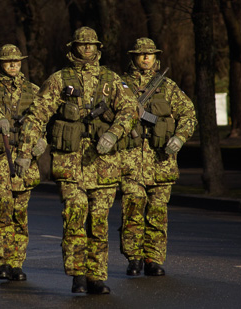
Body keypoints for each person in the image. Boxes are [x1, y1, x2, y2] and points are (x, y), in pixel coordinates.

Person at [14, 27, 138, 294]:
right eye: (82, 45)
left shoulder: (112, 79)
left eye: (92, 45)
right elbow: (37, 116)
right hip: (69, 163)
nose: (87, 49)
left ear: (98, 48)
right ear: (73, 48)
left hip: (104, 163)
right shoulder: (59, 79)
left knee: (99, 220)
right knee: (75, 213)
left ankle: (96, 275)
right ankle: (77, 274)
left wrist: (115, 133)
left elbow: (130, 110)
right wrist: (24, 152)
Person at [118, 38, 197, 277]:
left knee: (157, 213)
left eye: (149, 54)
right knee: (132, 210)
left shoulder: (168, 86)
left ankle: (153, 258)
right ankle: (133, 258)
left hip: (161, 161)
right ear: (133, 56)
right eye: (141, 54)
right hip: (130, 161)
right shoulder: (120, 85)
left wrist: (180, 138)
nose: (145, 58)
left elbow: (189, 115)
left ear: (155, 57)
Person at [0, 44, 42, 281]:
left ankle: (17, 262)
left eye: (17, 61)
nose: (13, 65)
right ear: (0, 64)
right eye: (8, 62)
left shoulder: (32, 90)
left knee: (20, 215)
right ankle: (3, 261)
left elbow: (43, 118)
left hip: (24, 160)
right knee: (2, 211)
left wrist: (42, 142)